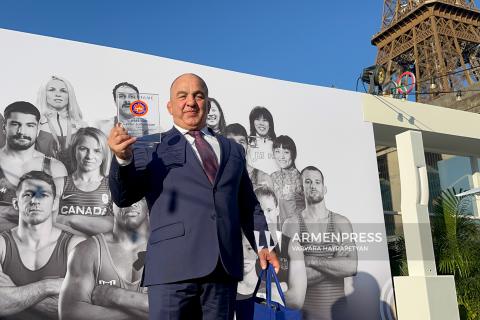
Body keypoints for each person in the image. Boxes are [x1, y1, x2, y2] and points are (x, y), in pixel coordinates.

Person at [108, 73, 279, 320]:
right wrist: (123, 159)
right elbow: (123, 196)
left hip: (222, 271)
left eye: (198, 96)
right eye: (182, 96)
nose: (191, 102)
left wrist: (264, 245)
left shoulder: (233, 150)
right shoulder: (149, 145)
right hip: (171, 271)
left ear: (208, 104)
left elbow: (248, 205)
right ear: (169, 106)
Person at [0, 171, 85, 320]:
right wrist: (48, 286)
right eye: (27, 195)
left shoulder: (75, 246)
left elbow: (79, 311)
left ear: (55, 204)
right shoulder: (2, 244)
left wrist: (13, 292)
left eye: (43, 195)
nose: (35, 200)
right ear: (15, 203)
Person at [283, 166, 358, 320]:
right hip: (305, 316)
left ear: (324, 189)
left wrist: (310, 261)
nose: (313, 186)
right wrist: (334, 262)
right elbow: (289, 278)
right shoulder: (291, 224)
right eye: (308, 182)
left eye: (317, 182)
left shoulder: (341, 222)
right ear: (301, 188)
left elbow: (351, 267)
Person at [59, 198, 149, 319]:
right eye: (125, 195)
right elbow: (70, 314)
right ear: (111, 204)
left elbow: (177, 309)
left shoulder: (169, 250)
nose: (132, 202)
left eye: (140, 197)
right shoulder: (87, 251)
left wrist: (114, 295)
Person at [0, 101, 68, 232]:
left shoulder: (54, 168)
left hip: (38, 246)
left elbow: (56, 216)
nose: (22, 131)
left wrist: (8, 211)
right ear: (4, 127)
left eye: (30, 125)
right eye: (15, 124)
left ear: (37, 130)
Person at [254, 186, 306, 309]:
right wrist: (280, 287)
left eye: (269, 210)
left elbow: (297, 300)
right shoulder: (244, 246)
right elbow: (239, 293)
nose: (265, 217)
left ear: (277, 210)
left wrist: (261, 290)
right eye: (260, 212)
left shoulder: (291, 247)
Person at [57, 127, 113, 236]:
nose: (89, 156)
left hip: (97, 249)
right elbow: (48, 222)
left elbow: (113, 226)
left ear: (105, 154)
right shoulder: (59, 184)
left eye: (97, 151)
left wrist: (70, 219)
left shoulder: (112, 187)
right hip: (62, 248)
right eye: (83, 149)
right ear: (74, 151)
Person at [35, 75, 87, 172]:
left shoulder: (82, 127)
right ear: (44, 94)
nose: (58, 94)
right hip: (43, 182)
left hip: (73, 182)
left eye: (63, 91)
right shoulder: (35, 123)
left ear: (69, 95)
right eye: (52, 90)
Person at [224, 123, 273, 190]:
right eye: (231, 142)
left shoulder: (263, 179)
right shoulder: (217, 178)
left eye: (241, 142)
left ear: (248, 147)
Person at [271, 135, 305, 229]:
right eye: (277, 151)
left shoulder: (302, 178)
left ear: (293, 154)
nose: (281, 157)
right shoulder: (272, 177)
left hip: (297, 232)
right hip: (277, 233)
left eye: (286, 152)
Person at [247, 106, 279, 175]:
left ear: (270, 124)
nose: (261, 123)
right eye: (257, 119)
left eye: (265, 120)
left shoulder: (277, 144)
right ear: (253, 123)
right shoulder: (247, 143)